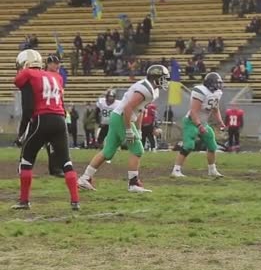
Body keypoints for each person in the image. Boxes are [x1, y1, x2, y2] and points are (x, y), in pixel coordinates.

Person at [78, 65, 169, 193]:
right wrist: (128, 129)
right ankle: (133, 183)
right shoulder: (145, 89)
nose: (165, 81)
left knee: (107, 152)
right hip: (121, 117)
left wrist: (139, 129)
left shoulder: (153, 90)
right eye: (163, 78)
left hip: (117, 117)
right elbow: (128, 108)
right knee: (137, 149)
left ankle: (85, 178)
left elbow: (140, 110)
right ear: (155, 78)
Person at [13, 50, 80, 210]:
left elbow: (27, 108)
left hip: (42, 119)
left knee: (26, 161)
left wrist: (21, 133)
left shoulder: (28, 74)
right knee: (66, 162)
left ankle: (24, 201)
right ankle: (75, 201)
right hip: (60, 120)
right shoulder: (56, 76)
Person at [14, 52, 64, 177]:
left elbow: (27, 106)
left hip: (42, 114)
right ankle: (25, 167)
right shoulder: (46, 76)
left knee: (43, 142)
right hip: (43, 114)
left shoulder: (31, 75)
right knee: (34, 142)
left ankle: (27, 167)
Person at [171, 73, 225, 178]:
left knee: (212, 144)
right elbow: (193, 112)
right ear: (210, 83)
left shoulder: (217, 93)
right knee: (189, 146)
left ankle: (212, 170)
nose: (218, 86)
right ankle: (176, 170)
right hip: (191, 122)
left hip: (203, 123)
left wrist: (220, 122)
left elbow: (215, 108)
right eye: (216, 83)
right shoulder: (200, 91)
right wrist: (199, 125)